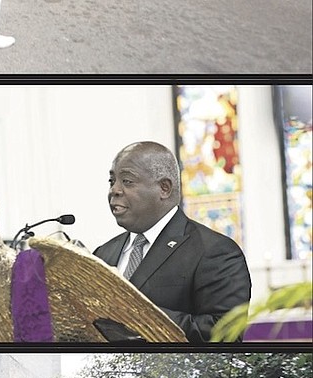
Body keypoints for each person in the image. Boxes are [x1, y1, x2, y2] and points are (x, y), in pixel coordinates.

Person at [93, 140, 252, 343]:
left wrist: (138, 315)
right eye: (112, 181)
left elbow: (223, 335)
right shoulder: (102, 254)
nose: (114, 190)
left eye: (127, 181)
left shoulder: (215, 252)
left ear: (164, 188)